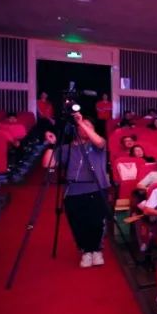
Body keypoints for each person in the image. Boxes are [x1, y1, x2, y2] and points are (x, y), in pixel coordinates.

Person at [42, 112, 109, 268]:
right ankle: (85, 251)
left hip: (96, 188)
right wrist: (51, 145)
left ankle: (96, 250)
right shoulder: (67, 149)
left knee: (96, 222)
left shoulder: (97, 145)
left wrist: (81, 122)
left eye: (88, 126)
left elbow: (99, 142)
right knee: (78, 223)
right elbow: (48, 164)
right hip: (73, 191)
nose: (84, 129)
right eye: (81, 127)